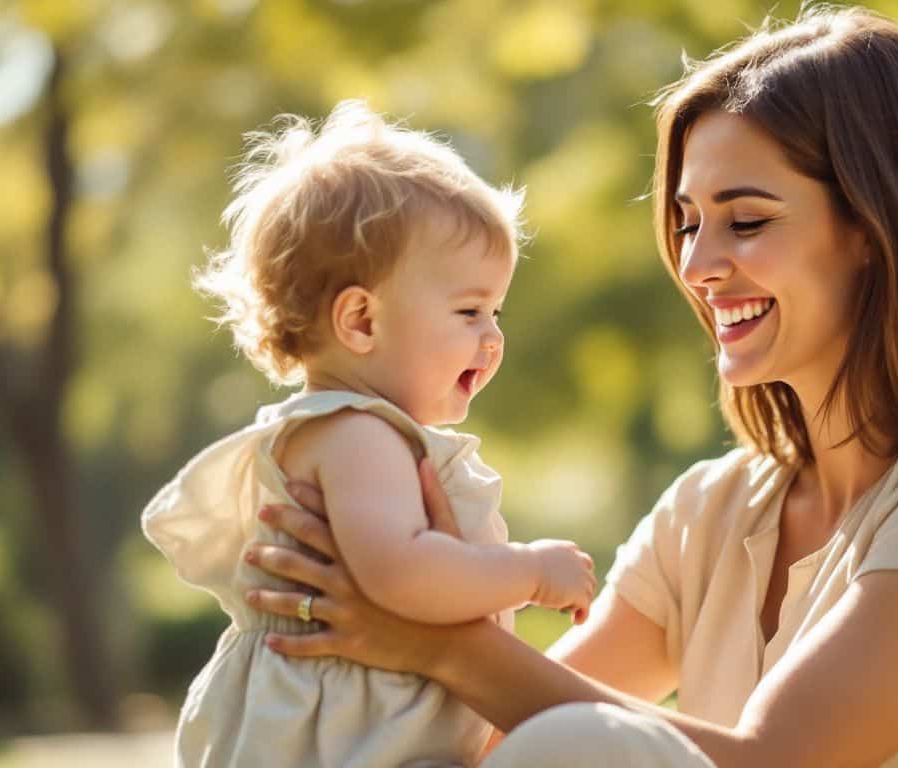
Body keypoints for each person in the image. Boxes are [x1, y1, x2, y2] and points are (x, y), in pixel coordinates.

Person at [245, 7, 898, 766]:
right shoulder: (712, 514)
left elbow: (775, 762)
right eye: (685, 222)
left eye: (746, 220)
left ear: (877, 226)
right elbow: (500, 740)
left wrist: (439, 637)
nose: (700, 265)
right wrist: (368, 610)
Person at [141, 100, 597, 768]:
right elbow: (402, 574)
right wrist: (530, 572)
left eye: (496, 311)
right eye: (469, 310)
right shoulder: (358, 433)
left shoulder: (346, 429)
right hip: (344, 741)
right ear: (360, 320)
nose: (493, 337)